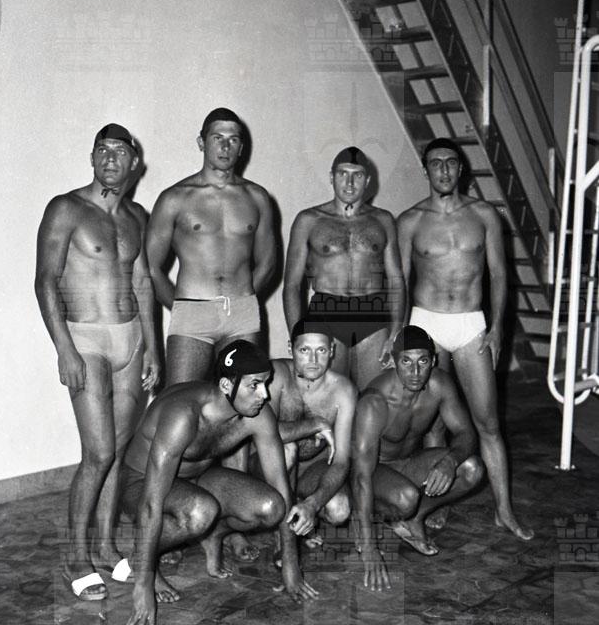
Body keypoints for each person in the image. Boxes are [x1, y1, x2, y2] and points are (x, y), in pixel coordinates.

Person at [34, 124, 160, 601]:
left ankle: (106, 547)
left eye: (120, 151)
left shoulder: (137, 216)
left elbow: (143, 282)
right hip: (85, 338)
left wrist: (152, 347)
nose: (110, 158)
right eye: (102, 150)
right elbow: (45, 280)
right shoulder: (66, 208)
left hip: (131, 340)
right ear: (91, 158)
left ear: (134, 163)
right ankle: (76, 555)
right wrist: (63, 347)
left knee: (120, 452)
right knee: (99, 452)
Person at [123, 340, 318, 625]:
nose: (264, 394)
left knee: (272, 507)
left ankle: (212, 534)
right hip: (140, 485)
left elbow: (281, 486)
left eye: (266, 383)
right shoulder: (183, 415)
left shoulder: (258, 413)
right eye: (254, 385)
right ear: (227, 385)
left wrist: (291, 563)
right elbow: (151, 502)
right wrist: (144, 584)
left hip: (195, 480)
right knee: (200, 511)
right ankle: (141, 558)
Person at [397, 137, 533, 540]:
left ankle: (504, 510)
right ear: (426, 169)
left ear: (461, 168)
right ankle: (436, 503)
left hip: (471, 324)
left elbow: (500, 274)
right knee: (434, 422)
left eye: (450, 163)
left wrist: (498, 328)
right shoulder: (410, 220)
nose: (443, 170)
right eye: (435, 163)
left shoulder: (484, 214)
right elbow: (400, 281)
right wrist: (399, 333)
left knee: (487, 422)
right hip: (426, 324)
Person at [146, 107, 276, 385]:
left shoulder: (257, 197)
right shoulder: (175, 198)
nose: (225, 146)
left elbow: (268, 262)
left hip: (241, 314)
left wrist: (243, 300)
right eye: (217, 138)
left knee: (243, 399)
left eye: (233, 139)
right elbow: (152, 267)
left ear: (241, 147)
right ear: (201, 142)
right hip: (192, 311)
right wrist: (180, 307)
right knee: (180, 400)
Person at [352, 326, 484, 591]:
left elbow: (466, 433)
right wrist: (369, 548)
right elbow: (360, 476)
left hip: (407, 464)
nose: (415, 372)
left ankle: (414, 517)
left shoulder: (440, 385)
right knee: (406, 498)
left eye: (422, 361)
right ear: (393, 361)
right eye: (406, 361)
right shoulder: (375, 400)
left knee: (471, 468)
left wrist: (450, 461)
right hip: (375, 471)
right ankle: (371, 519)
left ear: (433, 361)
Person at [283, 146, 405, 389]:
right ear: (331, 177)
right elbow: (292, 285)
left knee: (373, 398)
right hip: (325, 314)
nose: (349, 183)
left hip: (372, 315)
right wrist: (298, 336)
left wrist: (395, 333)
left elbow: (396, 281)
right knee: (327, 399)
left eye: (357, 175)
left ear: (367, 180)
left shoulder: (383, 220)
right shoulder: (309, 220)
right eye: (342, 174)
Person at [252, 319, 357, 550]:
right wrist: (316, 424)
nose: (313, 359)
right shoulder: (276, 375)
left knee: (339, 510)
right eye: (304, 350)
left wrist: (313, 504)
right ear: (291, 349)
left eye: (321, 350)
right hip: (266, 466)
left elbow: (341, 461)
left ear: (332, 350)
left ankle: (301, 512)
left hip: (310, 470)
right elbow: (265, 434)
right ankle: (283, 535)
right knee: (287, 449)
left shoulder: (343, 390)